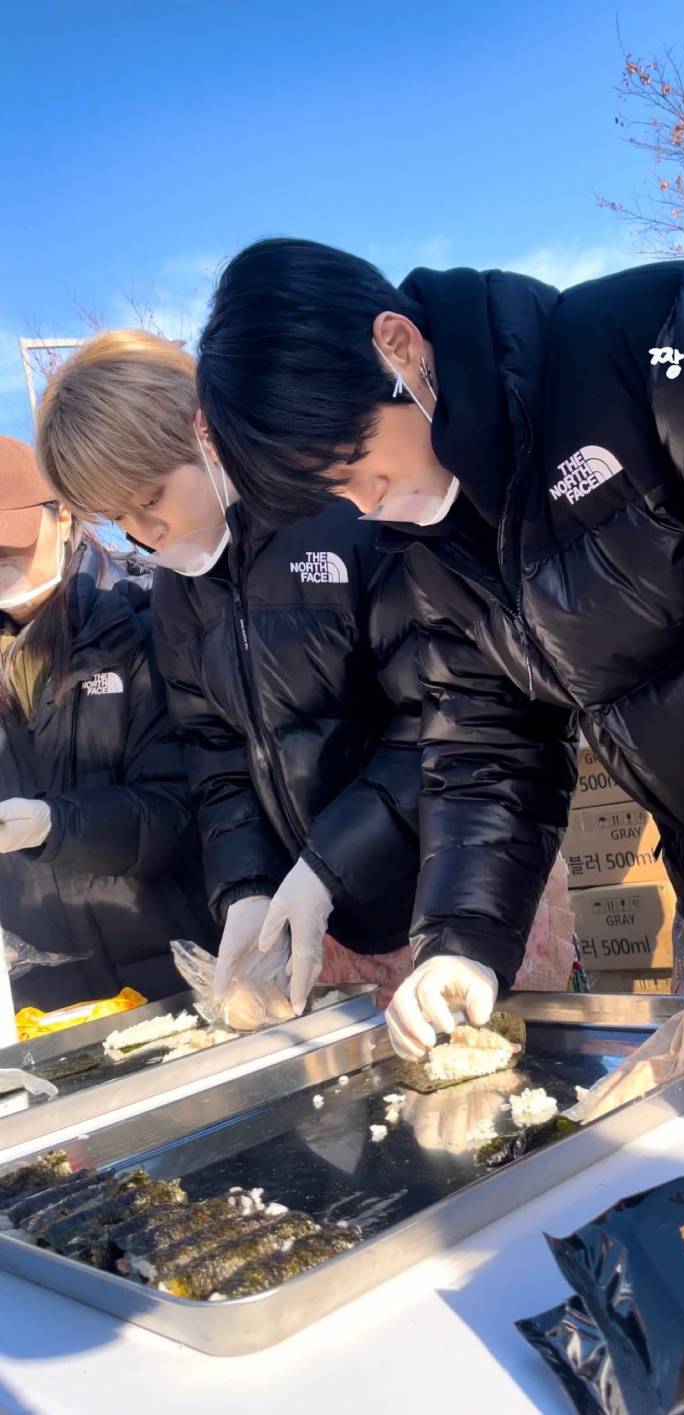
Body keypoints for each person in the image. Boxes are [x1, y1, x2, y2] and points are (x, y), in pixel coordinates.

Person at [193, 237, 684, 1056]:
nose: (364, 502)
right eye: (334, 494)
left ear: (397, 347)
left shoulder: (670, 343)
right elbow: (486, 737)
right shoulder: (438, 534)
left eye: (354, 462)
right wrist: (465, 942)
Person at [36, 332, 427, 1017]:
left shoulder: (344, 509)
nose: (146, 531)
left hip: (448, 886)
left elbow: (439, 715)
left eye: (151, 495)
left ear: (204, 434)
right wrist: (246, 886)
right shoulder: (178, 593)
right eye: (120, 518)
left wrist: (328, 862)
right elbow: (216, 760)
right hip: (322, 922)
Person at [0, 434, 217, 1012]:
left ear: (64, 516)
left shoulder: (138, 628)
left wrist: (51, 824)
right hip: (38, 1004)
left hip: (170, 980)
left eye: (8, 540)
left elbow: (178, 809)